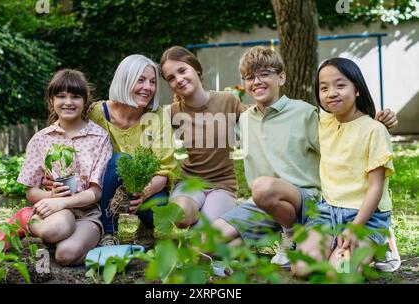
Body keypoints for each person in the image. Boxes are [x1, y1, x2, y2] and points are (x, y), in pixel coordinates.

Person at [211, 46, 398, 268]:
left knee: (263, 187)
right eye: (250, 77)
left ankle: (293, 238)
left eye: (264, 74)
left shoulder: (306, 113)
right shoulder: (244, 119)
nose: (257, 81)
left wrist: (381, 121)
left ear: (281, 77)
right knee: (208, 242)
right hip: (266, 203)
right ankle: (269, 238)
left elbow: (347, 139)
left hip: (305, 201)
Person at [291, 58, 395, 276]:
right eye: (324, 88)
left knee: (339, 274)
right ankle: (332, 246)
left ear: (357, 89)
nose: (331, 93)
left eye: (340, 85)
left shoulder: (374, 130)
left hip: (366, 216)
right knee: (301, 268)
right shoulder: (322, 122)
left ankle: (380, 241)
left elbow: (376, 188)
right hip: (327, 212)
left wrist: (355, 227)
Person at [17, 69, 113, 266]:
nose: (68, 102)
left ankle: (64, 240)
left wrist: (63, 202)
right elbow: (31, 190)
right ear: (51, 100)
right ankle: (26, 219)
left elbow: (96, 192)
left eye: (75, 96)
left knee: (66, 255)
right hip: (53, 211)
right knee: (57, 229)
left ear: (85, 101)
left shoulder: (99, 137)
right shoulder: (41, 139)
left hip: (87, 213)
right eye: (61, 96)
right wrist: (53, 198)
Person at [88, 55, 177, 248]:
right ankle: (108, 231)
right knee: (121, 159)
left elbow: (164, 169)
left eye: (153, 82)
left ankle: (145, 227)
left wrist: (142, 194)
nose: (148, 87)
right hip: (105, 188)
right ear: (125, 80)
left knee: (158, 208)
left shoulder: (158, 116)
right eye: (140, 80)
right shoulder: (96, 113)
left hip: (146, 188)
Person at [160, 46, 247, 228]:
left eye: (182, 70)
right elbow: (139, 119)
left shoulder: (228, 101)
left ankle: (221, 230)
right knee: (179, 216)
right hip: (190, 182)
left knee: (204, 240)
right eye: (171, 78)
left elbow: (258, 118)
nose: (179, 79)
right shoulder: (172, 112)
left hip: (223, 185)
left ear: (196, 69)